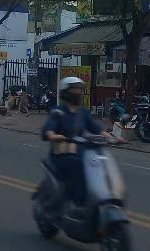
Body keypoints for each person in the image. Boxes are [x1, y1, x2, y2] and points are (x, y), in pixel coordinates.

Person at [41, 75, 108, 214]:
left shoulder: (83, 113)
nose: (78, 93)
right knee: (78, 165)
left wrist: (113, 137)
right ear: (66, 92)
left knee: (101, 163)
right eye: (75, 90)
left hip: (82, 151)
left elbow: (97, 128)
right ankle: (79, 203)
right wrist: (54, 136)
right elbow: (49, 129)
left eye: (80, 90)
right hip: (62, 155)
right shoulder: (58, 111)